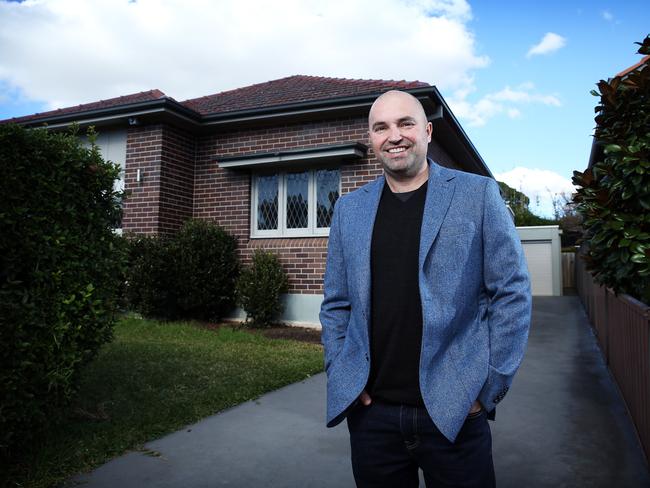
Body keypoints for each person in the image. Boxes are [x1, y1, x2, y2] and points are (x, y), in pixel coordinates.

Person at [320, 90, 532, 487]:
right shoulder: (349, 210)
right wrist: (340, 371)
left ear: (428, 131)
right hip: (373, 417)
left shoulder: (477, 194)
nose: (394, 135)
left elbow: (512, 292)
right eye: (381, 127)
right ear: (371, 139)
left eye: (405, 123)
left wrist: (487, 387)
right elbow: (336, 304)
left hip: (455, 410)